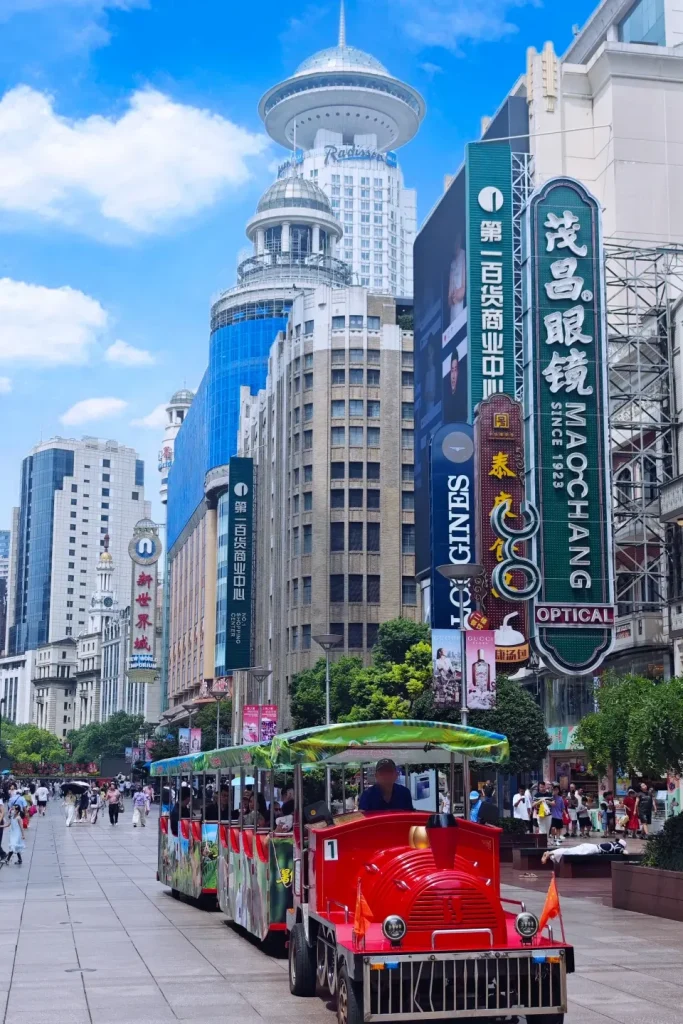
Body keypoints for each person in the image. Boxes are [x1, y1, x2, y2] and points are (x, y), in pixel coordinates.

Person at [542, 838, 627, 865]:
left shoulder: (612, 843)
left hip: (590, 846)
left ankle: (551, 854)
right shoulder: (617, 847)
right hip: (592, 849)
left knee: (570, 850)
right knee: (571, 852)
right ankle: (550, 854)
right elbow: (625, 852)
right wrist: (624, 850)